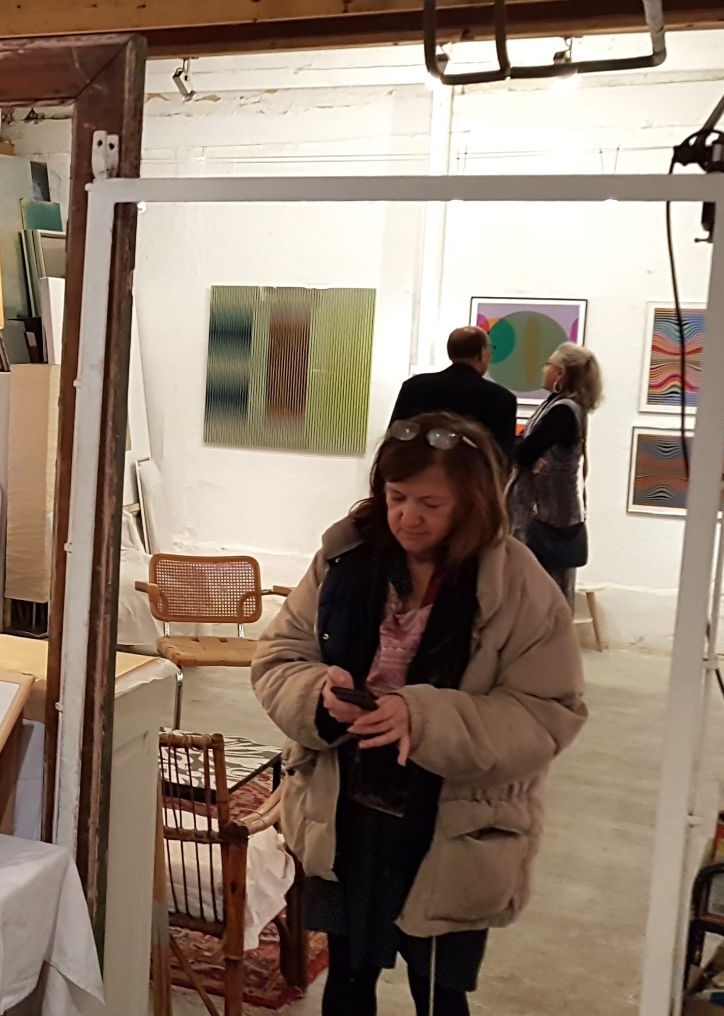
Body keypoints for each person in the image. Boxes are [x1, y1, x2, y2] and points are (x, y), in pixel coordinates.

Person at [250, 411, 586, 1016]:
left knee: (439, 994)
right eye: (396, 497)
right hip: (344, 812)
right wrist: (319, 697)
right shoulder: (345, 559)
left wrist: (422, 720)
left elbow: (547, 713)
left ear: (473, 502)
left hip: (452, 825)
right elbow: (280, 657)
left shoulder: (518, 587)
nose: (408, 517)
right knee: (348, 981)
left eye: (431, 503)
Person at [510, 343, 602, 605]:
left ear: (560, 373)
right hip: (549, 512)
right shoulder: (559, 405)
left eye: (548, 364)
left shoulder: (563, 411)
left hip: (549, 517)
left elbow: (526, 452)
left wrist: (517, 449)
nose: (544, 369)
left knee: (545, 592)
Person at [389, 327, 520, 459]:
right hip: (470, 471)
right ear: (482, 352)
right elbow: (502, 457)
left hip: (415, 468)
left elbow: (394, 438)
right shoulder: (501, 398)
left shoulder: (414, 386)